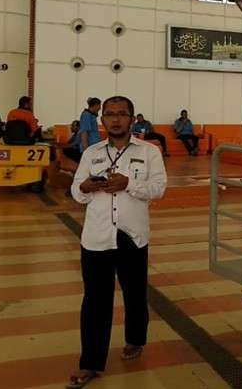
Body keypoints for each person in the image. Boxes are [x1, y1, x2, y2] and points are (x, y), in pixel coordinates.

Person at [67, 96, 167, 389]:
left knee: (135, 294)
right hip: (96, 238)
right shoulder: (91, 153)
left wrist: (129, 184)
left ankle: (135, 339)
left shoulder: (149, 152)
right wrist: (84, 187)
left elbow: (159, 188)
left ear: (132, 119)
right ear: (102, 120)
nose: (115, 119)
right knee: (95, 302)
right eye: (109, 114)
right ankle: (90, 363)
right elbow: (76, 190)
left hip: (132, 236)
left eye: (121, 114)